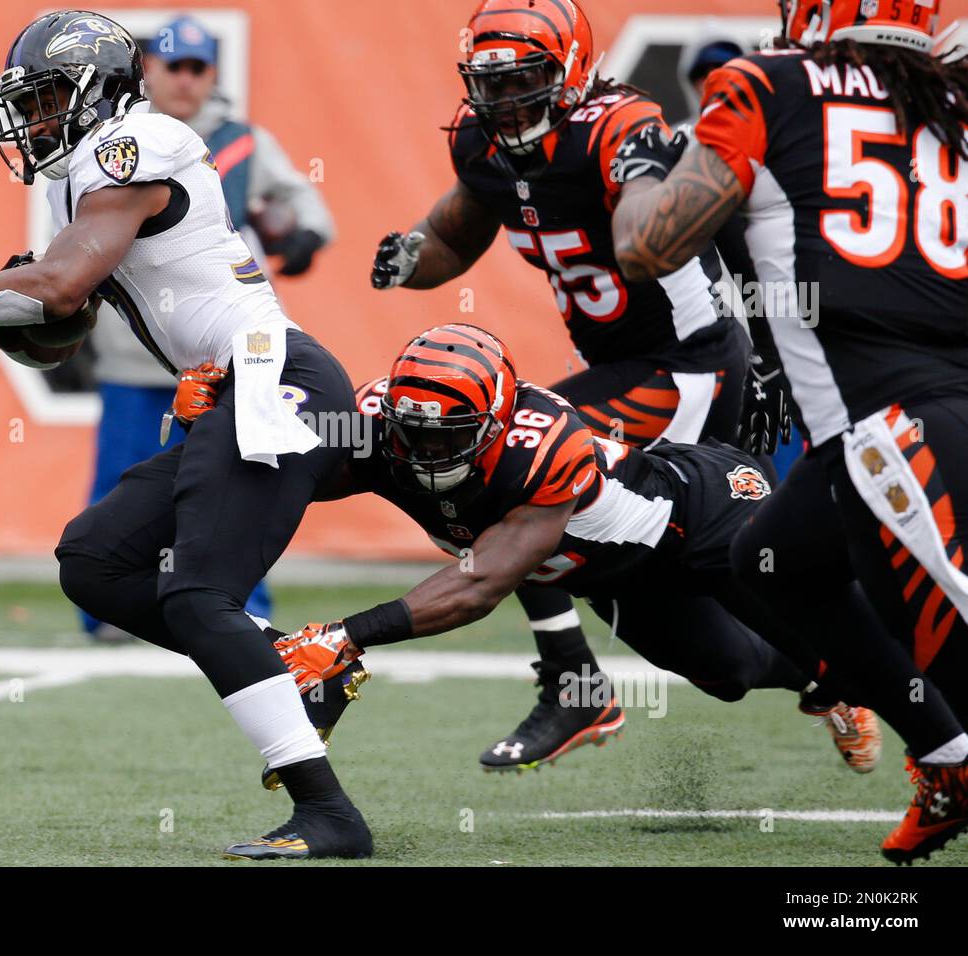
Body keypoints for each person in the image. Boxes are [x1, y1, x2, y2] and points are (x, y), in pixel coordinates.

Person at [0, 10, 370, 861]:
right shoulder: (79, 173)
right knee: (95, 559)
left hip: (275, 379)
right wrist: (9, 305)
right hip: (231, 387)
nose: (34, 121)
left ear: (99, 91)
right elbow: (56, 326)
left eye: (46, 99)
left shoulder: (138, 142)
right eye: (28, 102)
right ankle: (293, 658)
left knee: (195, 593)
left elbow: (61, 281)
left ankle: (329, 815)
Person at [369, 0, 777, 774]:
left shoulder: (618, 128)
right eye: (491, 83)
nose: (506, 100)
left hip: (686, 363)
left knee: (511, 465)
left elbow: (651, 236)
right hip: (623, 367)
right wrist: (406, 258)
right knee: (718, 660)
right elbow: (453, 239)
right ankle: (840, 677)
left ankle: (573, 681)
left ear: (571, 73)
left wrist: (638, 194)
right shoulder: (480, 142)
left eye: (525, 79)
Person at [609, 0, 968, 863]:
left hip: (895, 426)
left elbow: (648, 249)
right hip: (899, 417)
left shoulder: (768, 84)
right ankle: (949, 759)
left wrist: (639, 173)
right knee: (776, 558)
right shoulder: (947, 94)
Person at [265, 323, 878, 781]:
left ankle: (936, 742)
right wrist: (228, 420)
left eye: (446, 434)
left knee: (845, 642)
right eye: (413, 431)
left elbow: (481, 584)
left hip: (707, 518)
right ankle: (827, 687)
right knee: (729, 674)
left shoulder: (542, 447)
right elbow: (296, 474)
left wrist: (349, 634)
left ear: (496, 424)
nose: (424, 450)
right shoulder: (379, 426)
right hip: (620, 576)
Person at [78, 13, 333, 638]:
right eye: (173, 65)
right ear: (147, 70)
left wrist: (296, 236)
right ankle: (108, 609)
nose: (186, 80)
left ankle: (243, 605)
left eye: (198, 68)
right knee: (122, 480)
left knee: (232, 481)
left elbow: (307, 208)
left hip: (219, 350)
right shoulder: (110, 144)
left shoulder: (240, 141)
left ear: (212, 74)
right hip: (133, 352)